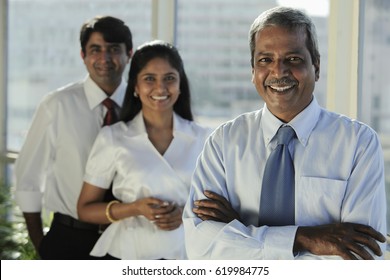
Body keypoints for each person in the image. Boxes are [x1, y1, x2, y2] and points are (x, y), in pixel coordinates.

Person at [183, 6, 387, 260]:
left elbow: (363, 257)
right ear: (253, 70)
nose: (278, 72)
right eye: (265, 60)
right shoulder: (223, 143)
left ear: (317, 66)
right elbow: (201, 249)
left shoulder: (359, 144)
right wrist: (305, 238)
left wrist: (242, 232)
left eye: (293, 59)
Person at [77, 40, 212, 260]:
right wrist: (135, 208)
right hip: (127, 253)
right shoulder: (113, 137)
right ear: (136, 88)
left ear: (180, 85)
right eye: (149, 79)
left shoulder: (203, 138)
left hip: (186, 253)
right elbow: (85, 209)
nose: (160, 88)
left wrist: (186, 214)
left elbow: (219, 205)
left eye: (169, 78)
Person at [14, 15, 133, 259]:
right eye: (95, 50)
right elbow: (29, 178)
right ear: (83, 55)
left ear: (129, 53)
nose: (105, 59)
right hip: (70, 239)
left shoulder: (144, 105)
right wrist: (42, 245)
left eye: (114, 49)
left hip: (128, 239)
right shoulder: (57, 105)